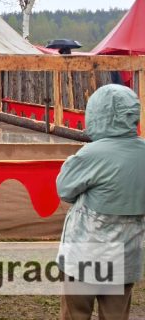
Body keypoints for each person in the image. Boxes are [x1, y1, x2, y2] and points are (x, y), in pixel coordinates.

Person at [56, 84, 145, 320]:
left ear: (97, 114)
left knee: (76, 313)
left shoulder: (91, 154)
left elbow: (64, 189)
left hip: (84, 253)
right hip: (126, 255)